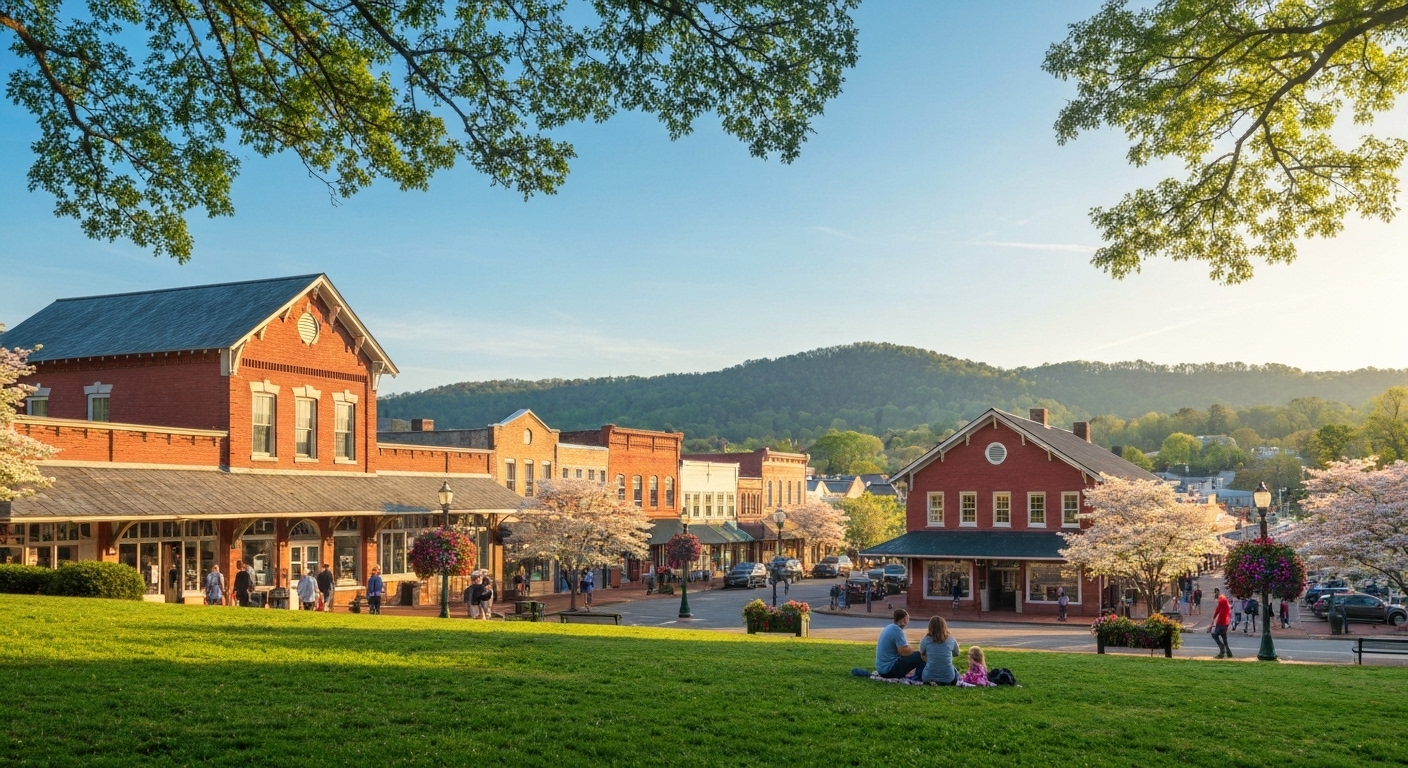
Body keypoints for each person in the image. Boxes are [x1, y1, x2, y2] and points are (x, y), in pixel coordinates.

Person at [875, 609, 925, 679]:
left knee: (916, 654)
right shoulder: (897, 631)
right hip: (889, 670)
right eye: (907, 619)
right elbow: (903, 651)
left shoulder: (889, 627)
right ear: (904, 620)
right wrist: (916, 651)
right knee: (921, 655)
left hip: (882, 669)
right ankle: (919, 677)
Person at [919, 616, 960, 685]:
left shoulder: (925, 640)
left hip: (928, 677)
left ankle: (932, 681)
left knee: (924, 667)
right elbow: (957, 653)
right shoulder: (951, 640)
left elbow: (922, 654)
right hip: (948, 678)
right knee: (954, 670)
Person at [1208, 588, 1233, 658]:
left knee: (1214, 635)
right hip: (1226, 622)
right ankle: (1229, 653)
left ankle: (1222, 651)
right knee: (1224, 637)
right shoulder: (1224, 601)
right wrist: (1213, 618)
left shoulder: (1221, 600)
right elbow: (1217, 610)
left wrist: (1214, 620)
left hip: (1221, 622)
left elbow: (1219, 610)